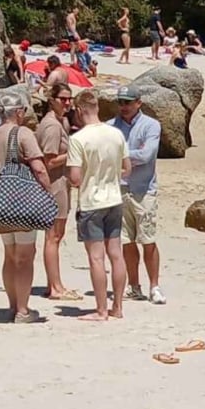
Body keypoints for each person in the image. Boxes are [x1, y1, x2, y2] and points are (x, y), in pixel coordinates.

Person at [0, 95, 54, 323]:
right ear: (19, 112)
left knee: (10, 256)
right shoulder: (23, 134)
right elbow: (39, 169)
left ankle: (13, 305)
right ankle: (23, 309)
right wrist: (49, 196)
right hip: (22, 204)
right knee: (25, 257)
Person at [67, 90, 130, 321]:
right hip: (114, 198)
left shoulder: (78, 139)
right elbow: (127, 168)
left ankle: (102, 309)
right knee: (116, 254)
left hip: (91, 201)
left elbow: (74, 177)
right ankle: (118, 306)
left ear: (79, 110)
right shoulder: (116, 134)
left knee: (96, 257)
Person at [112, 86, 164, 305]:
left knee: (148, 240)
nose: (124, 106)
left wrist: (118, 155)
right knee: (126, 242)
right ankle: (134, 286)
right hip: (119, 189)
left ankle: (154, 286)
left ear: (138, 103)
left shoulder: (151, 125)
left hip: (144, 191)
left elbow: (147, 155)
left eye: (128, 102)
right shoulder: (110, 127)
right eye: (121, 102)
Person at [37, 83, 78, 300]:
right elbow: (49, 160)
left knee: (55, 236)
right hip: (54, 186)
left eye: (69, 99)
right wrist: (76, 151)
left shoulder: (59, 122)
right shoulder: (52, 126)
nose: (68, 103)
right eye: (63, 99)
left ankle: (54, 284)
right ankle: (55, 287)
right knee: (53, 236)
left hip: (60, 184)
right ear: (52, 99)